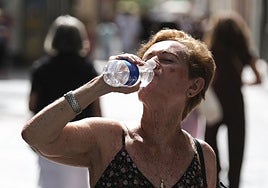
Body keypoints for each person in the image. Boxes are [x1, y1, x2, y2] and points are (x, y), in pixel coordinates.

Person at [22, 29, 218, 187]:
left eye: (167, 60)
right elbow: (35, 135)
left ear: (194, 86)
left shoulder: (202, 155)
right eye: (148, 58)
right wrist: (100, 84)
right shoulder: (109, 139)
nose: (152, 64)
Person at [28, 15, 102, 188]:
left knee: (49, 181)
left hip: (48, 137)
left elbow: (32, 104)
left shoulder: (41, 68)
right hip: (81, 137)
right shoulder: (88, 68)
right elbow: (97, 110)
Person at [203, 11, 262, 188]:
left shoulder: (211, 50)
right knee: (237, 145)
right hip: (236, 101)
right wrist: (241, 82)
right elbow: (259, 79)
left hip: (216, 103)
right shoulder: (244, 50)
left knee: (210, 142)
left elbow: (209, 78)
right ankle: (234, 182)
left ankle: (214, 177)